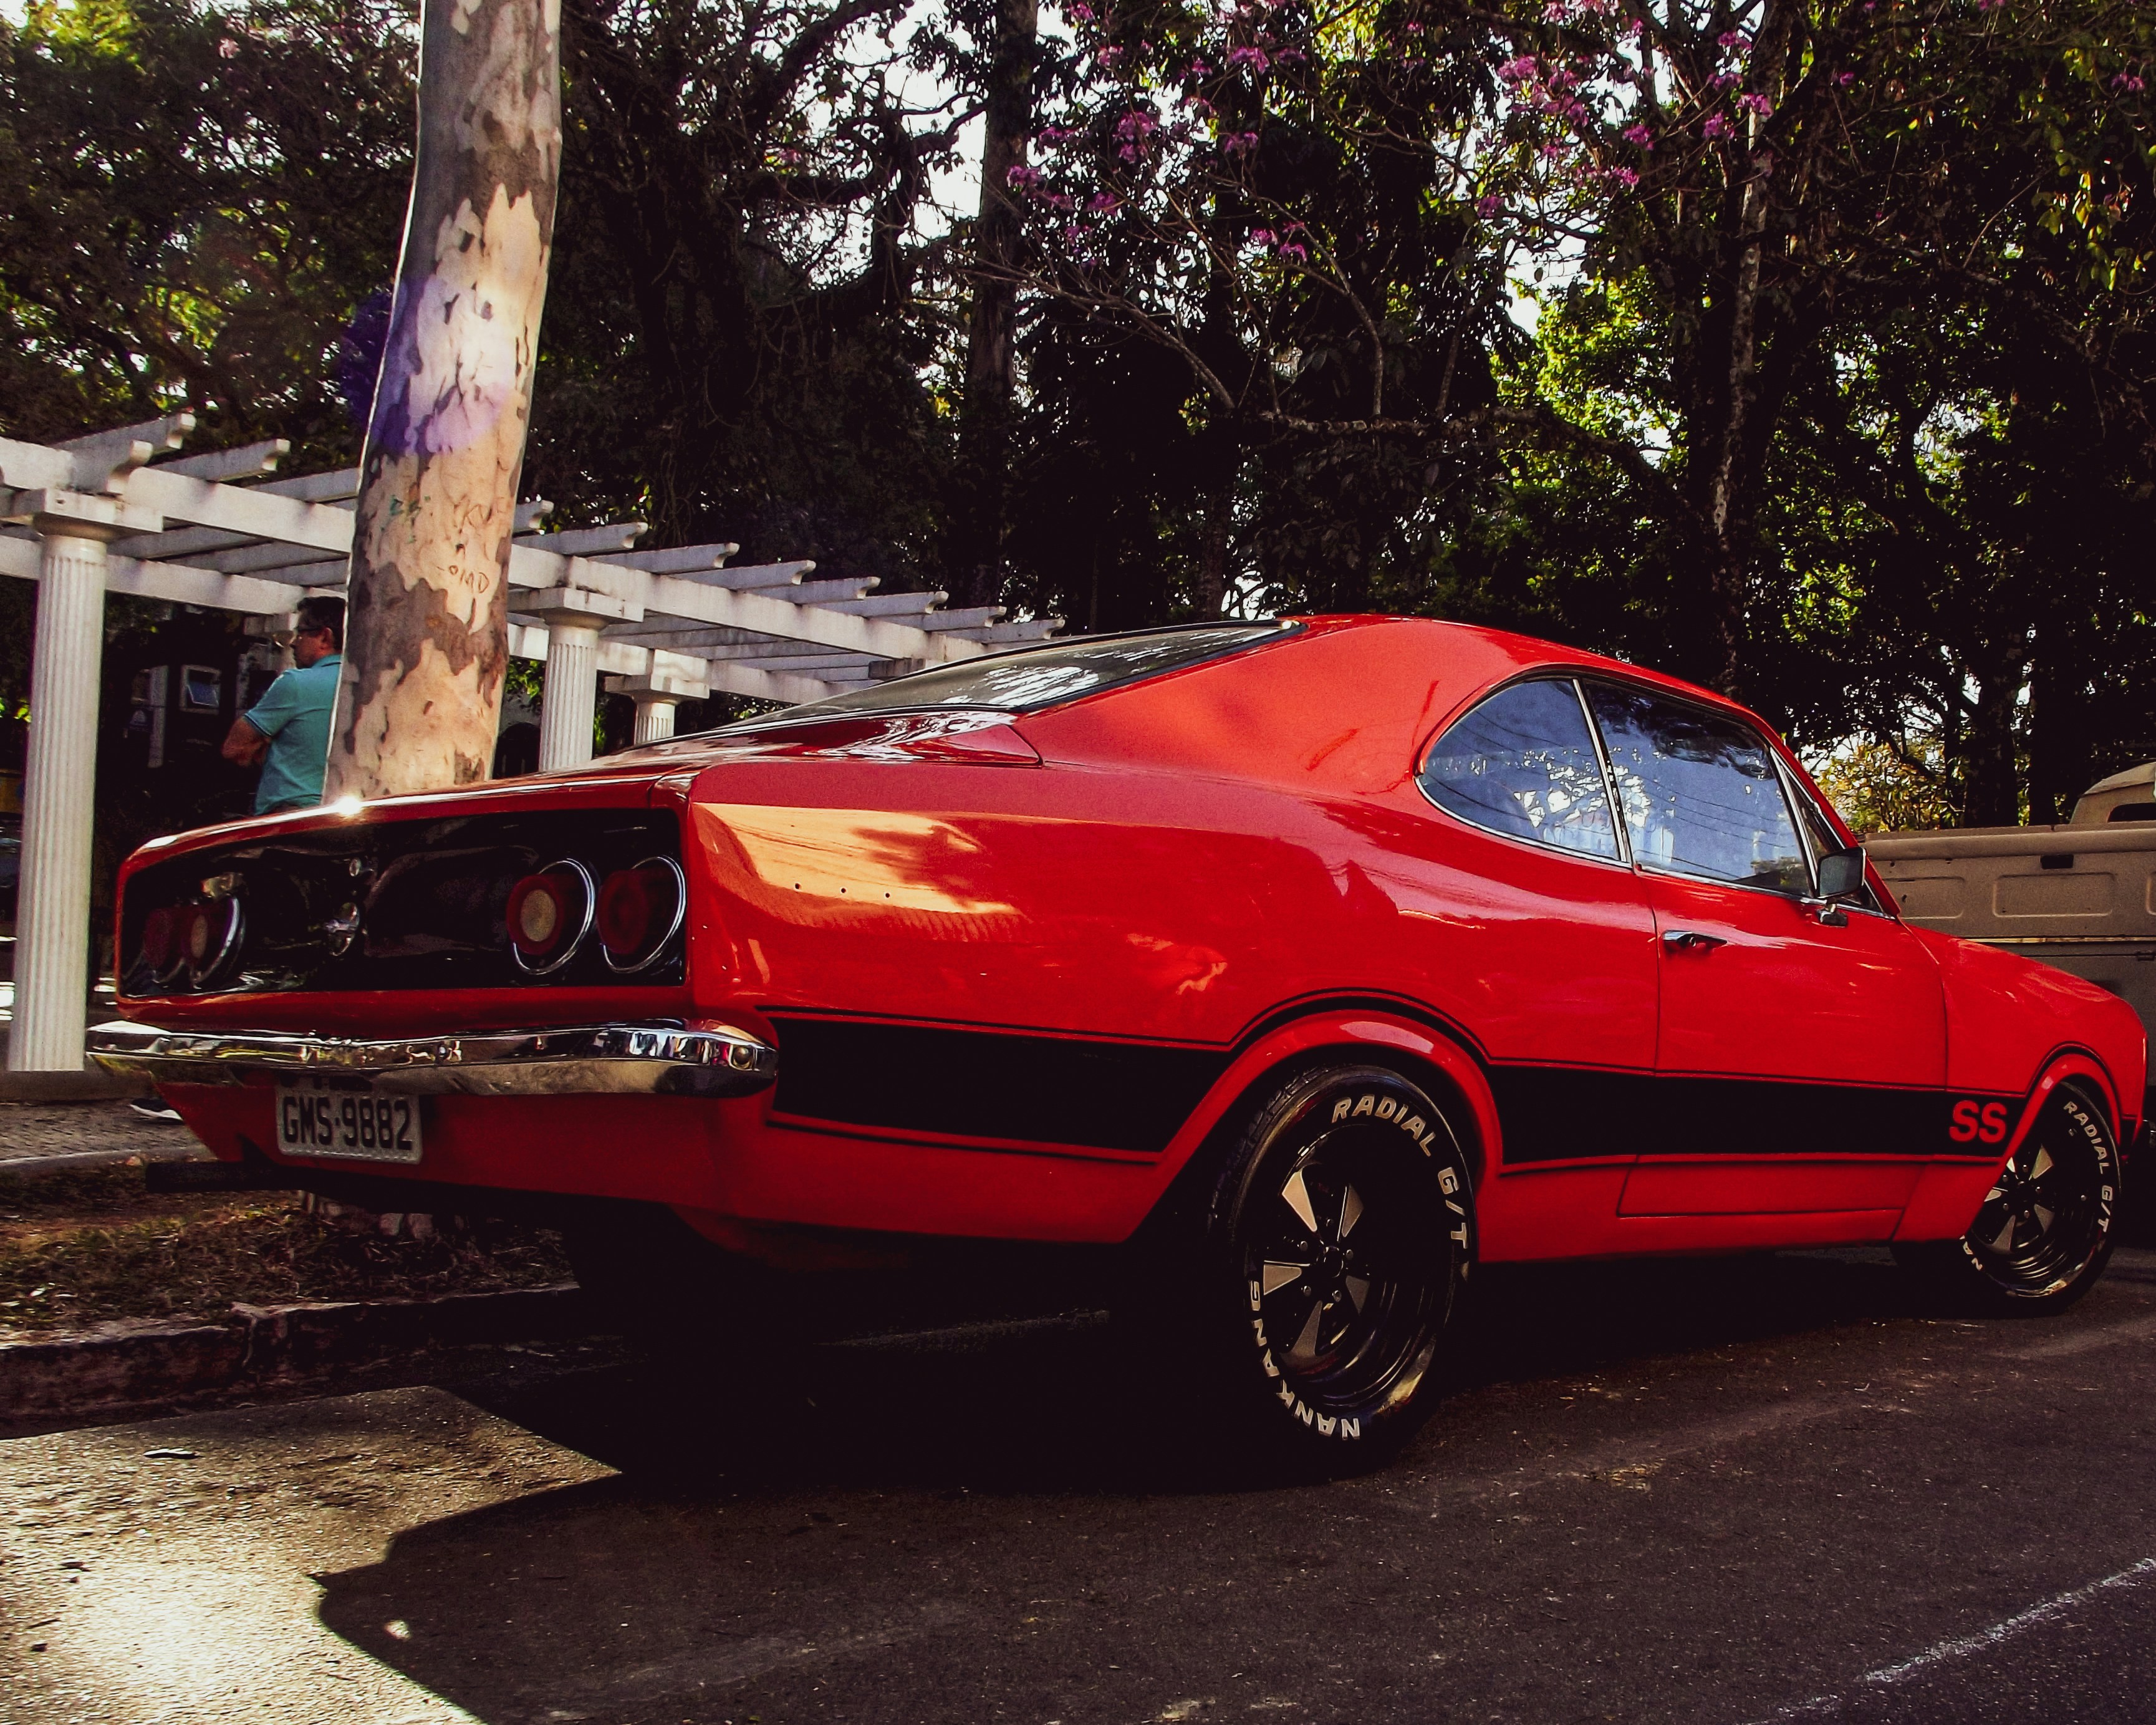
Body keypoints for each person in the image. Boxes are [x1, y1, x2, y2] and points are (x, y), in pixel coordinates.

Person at [221, 595, 345, 813]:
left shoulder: (296, 683)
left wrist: (268, 743)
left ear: (325, 637)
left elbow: (234, 749)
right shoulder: (372, 688)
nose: (294, 642)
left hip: (293, 814)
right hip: (356, 816)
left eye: (301, 633)